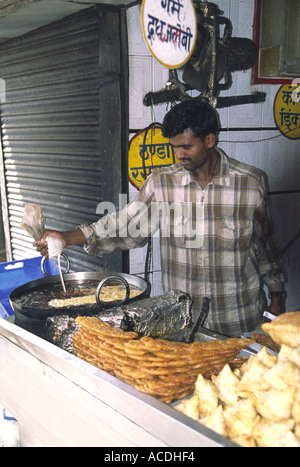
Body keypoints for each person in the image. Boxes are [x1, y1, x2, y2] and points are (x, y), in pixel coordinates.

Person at [34, 100, 285, 337]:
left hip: (239, 320)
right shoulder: (162, 183)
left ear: (209, 140)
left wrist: (277, 297)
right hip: (183, 324)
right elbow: (126, 224)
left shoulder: (250, 182)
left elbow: (265, 246)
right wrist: (67, 237)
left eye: (186, 146)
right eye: (174, 146)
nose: (179, 154)